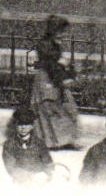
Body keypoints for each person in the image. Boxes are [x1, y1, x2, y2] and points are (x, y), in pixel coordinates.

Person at [32, 15, 81, 149]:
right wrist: (63, 78)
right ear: (54, 31)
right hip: (47, 79)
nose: (64, 35)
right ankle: (51, 142)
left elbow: (59, 64)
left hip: (54, 78)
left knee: (66, 108)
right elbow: (51, 66)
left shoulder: (54, 45)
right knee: (50, 109)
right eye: (61, 32)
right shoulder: (46, 45)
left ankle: (64, 140)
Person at [2, 107, 56, 185]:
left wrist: (47, 174)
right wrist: (23, 177)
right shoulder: (9, 144)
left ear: (32, 126)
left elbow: (48, 162)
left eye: (26, 124)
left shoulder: (39, 143)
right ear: (16, 126)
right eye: (20, 124)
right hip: (20, 181)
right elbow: (10, 166)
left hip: (39, 180)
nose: (23, 127)